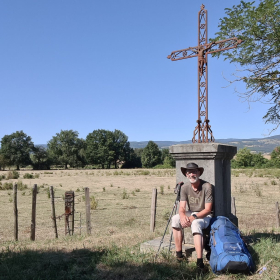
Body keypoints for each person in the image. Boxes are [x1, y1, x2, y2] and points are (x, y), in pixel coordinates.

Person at [171, 162, 213, 269]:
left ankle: (200, 261)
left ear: (199, 173)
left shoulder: (207, 186)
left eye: (194, 171)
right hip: (191, 211)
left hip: (205, 215)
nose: (192, 174)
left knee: (196, 223)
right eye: (189, 172)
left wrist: (192, 218)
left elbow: (208, 209)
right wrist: (182, 216)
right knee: (175, 219)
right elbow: (181, 207)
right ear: (186, 174)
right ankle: (179, 254)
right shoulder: (185, 187)